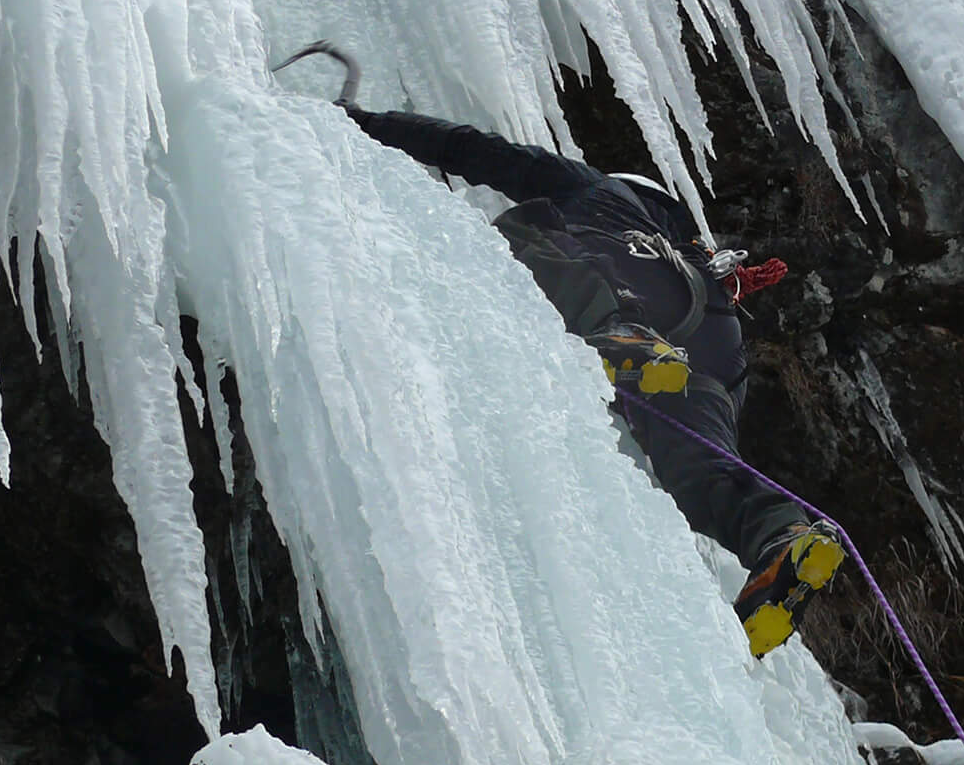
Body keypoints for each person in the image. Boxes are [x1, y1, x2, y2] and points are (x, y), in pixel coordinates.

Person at [338, 96, 844, 655]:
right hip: (717, 346)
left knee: (511, 241)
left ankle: (619, 333)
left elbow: (472, 148)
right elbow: (724, 392)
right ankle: (783, 536)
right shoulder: (706, 264)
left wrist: (363, 121)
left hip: (631, 281)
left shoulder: (599, 192)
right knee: (705, 470)